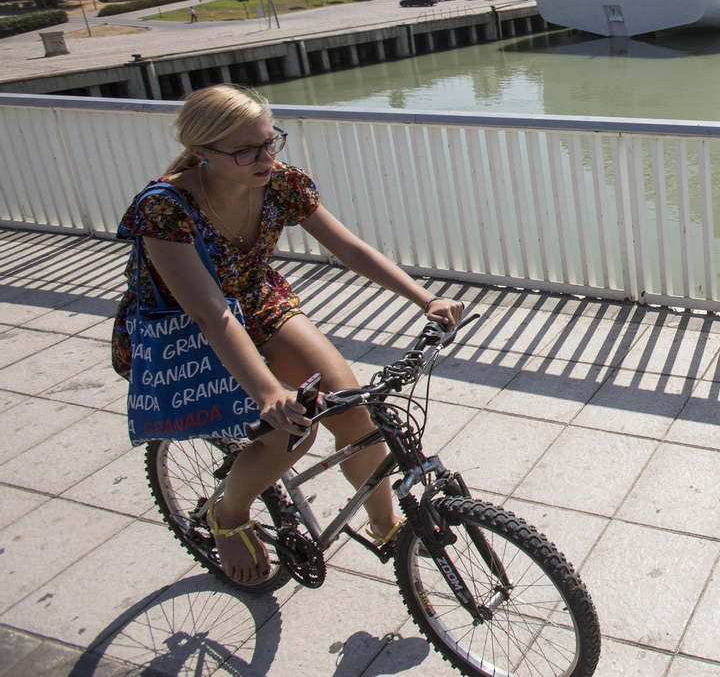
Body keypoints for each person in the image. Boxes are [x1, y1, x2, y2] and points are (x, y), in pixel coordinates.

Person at [112, 85, 464, 586]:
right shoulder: (164, 208)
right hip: (188, 330)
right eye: (245, 150)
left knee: (353, 410)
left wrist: (423, 298)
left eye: (269, 140)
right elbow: (212, 316)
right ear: (203, 152)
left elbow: (350, 248)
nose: (264, 157)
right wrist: (268, 393)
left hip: (256, 302)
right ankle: (228, 515)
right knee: (294, 429)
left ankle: (388, 527)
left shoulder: (278, 183)